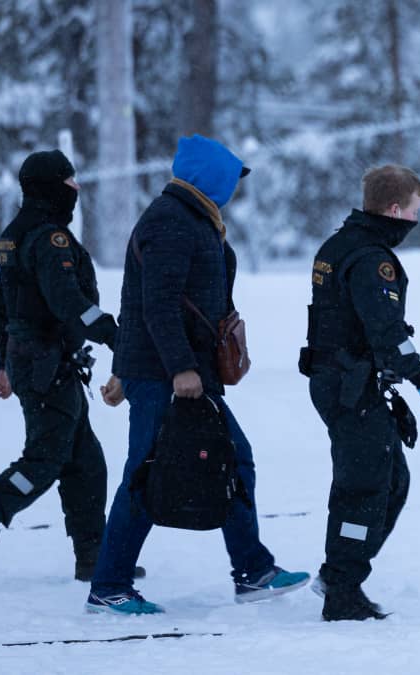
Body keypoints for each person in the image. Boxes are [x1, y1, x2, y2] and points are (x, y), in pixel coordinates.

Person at [85, 135, 310, 615]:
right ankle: (109, 585)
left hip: (176, 373)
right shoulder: (171, 221)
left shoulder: (194, 218)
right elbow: (156, 304)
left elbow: (145, 297)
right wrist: (177, 368)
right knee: (147, 476)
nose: (235, 186)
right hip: (171, 376)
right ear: (211, 177)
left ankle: (252, 570)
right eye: (231, 177)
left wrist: (128, 368)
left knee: (229, 462)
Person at [0, 149, 120, 588]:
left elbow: (2, 305)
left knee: (85, 463)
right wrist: (114, 333)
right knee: (43, 462)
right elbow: (68, 303)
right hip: (45, 363)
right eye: (71, 182)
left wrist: (4, 362)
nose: (77, 190)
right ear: (55, 187)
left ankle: (94, 558)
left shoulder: (16, 234)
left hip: (36, 361)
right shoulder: (49, 239)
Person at [298, 164, 420, 621]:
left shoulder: (338, 245)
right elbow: (385, 329)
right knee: (365, 487)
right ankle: (342, 589)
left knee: (389, 482)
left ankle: (340, 571)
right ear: (396, 208)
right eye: (415, 211)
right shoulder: (370, 258)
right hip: (349, 386)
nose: (416, 221)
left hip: (342, 382)